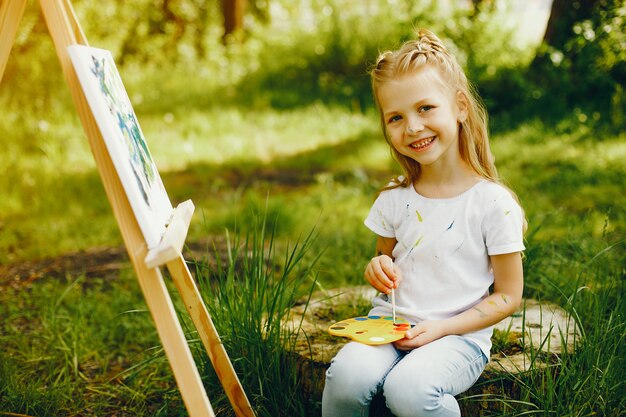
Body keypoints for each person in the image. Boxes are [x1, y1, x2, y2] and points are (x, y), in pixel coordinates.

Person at [322, 29, 526, 417]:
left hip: (459, 336)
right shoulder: (394, 199)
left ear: (460, 107)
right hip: (391, 324)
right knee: (346, 378)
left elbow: (508, 295)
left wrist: (443, 329)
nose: (412, 127)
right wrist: (377, 268)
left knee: (410, 391)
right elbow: (385, 263)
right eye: (396, 117)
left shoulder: (492, 204)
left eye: (425, 109)